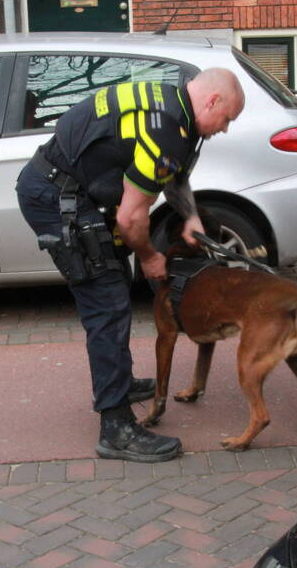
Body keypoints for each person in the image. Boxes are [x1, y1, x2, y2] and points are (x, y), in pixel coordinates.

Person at [15, 68, 245, 463]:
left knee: (114, 282)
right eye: (226, 119)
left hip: (73, 190)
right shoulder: (168, 130)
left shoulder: (173, 107)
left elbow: (172, 175)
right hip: (56, 197)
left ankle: (116, 382)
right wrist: (151, 256)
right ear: (212, 102)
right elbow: (130, 220)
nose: (223, 129)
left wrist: (189, 217)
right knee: (106, 302)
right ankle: (116, 429)